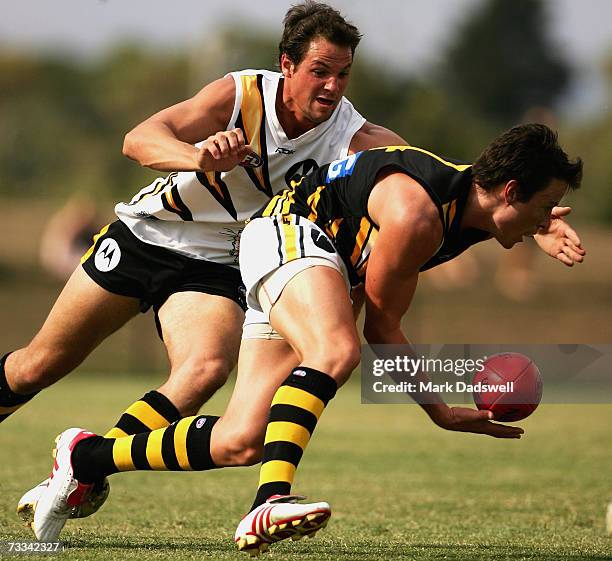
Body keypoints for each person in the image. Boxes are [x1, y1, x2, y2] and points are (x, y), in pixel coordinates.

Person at [28, 124, 584, 551]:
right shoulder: (418, 215)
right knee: (335, 350)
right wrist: (439, 409)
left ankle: (88, 457)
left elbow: (494, 206)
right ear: (509, 189)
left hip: (315, 264)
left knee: (240, 441)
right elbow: (383, 330)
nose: (545, 219)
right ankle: (269, 502)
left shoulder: (473, 201)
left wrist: (539, 222)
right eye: (542, 205)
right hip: (289, 236)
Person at [9, 1, 408, 527]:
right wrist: (199, 156)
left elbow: (437, 180)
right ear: (286, 65)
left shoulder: (355, 137)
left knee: (205, 371)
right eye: (320, 71)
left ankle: (85, 466)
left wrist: (532, 217)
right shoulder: (241, 94)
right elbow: (139, 140)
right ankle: (81, 465)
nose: (332, 87)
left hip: (220, 264)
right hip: (147, 236)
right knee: (37, 366)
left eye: (342, 74)